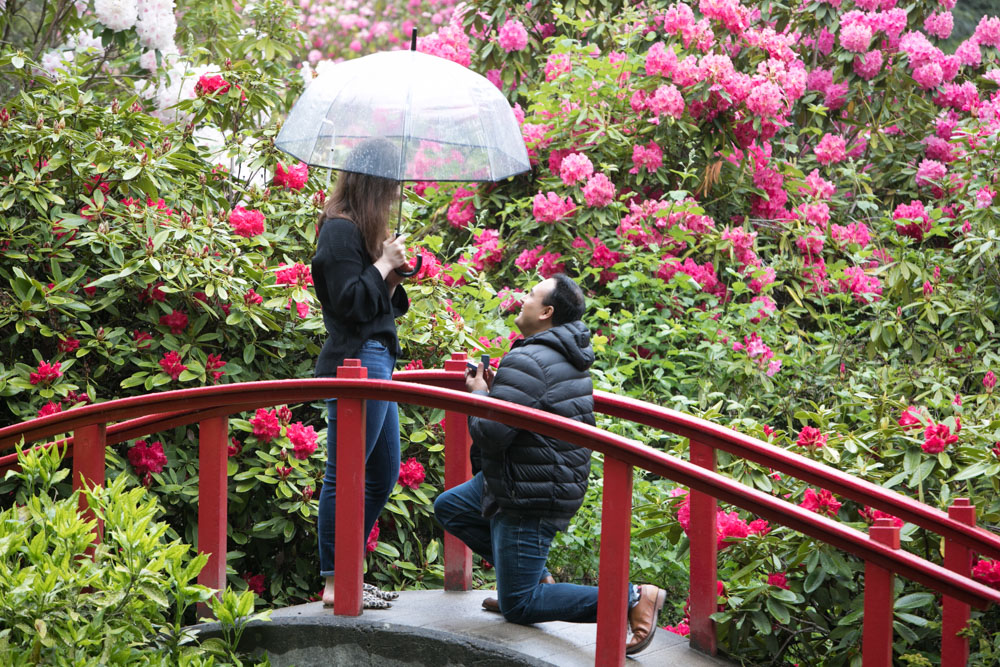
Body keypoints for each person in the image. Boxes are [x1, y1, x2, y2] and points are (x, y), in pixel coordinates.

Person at [433, 273, 666, 655]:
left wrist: (479, 396)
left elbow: (491, 433)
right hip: (530, 473)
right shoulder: (559, 353)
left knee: (519, 606)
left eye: (530, 293)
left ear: (546, 312)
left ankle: (634, 597)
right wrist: (496, 394)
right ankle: (523, 579)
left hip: (528, 490)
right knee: (452, 507)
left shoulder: (528, 358)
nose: (522, 298)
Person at [313, 139, 410, 610]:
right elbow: (347, 303)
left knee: (381, 473)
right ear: (372, 186)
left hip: (377, 356)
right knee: (345, 471)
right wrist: (383, 264)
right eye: (390, 187)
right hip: (355, 358)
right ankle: (335, 580)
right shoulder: (337, 231)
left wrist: (390, 274)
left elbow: (373, 303)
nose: (394, 196)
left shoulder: (361, 233)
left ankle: (349, 568)